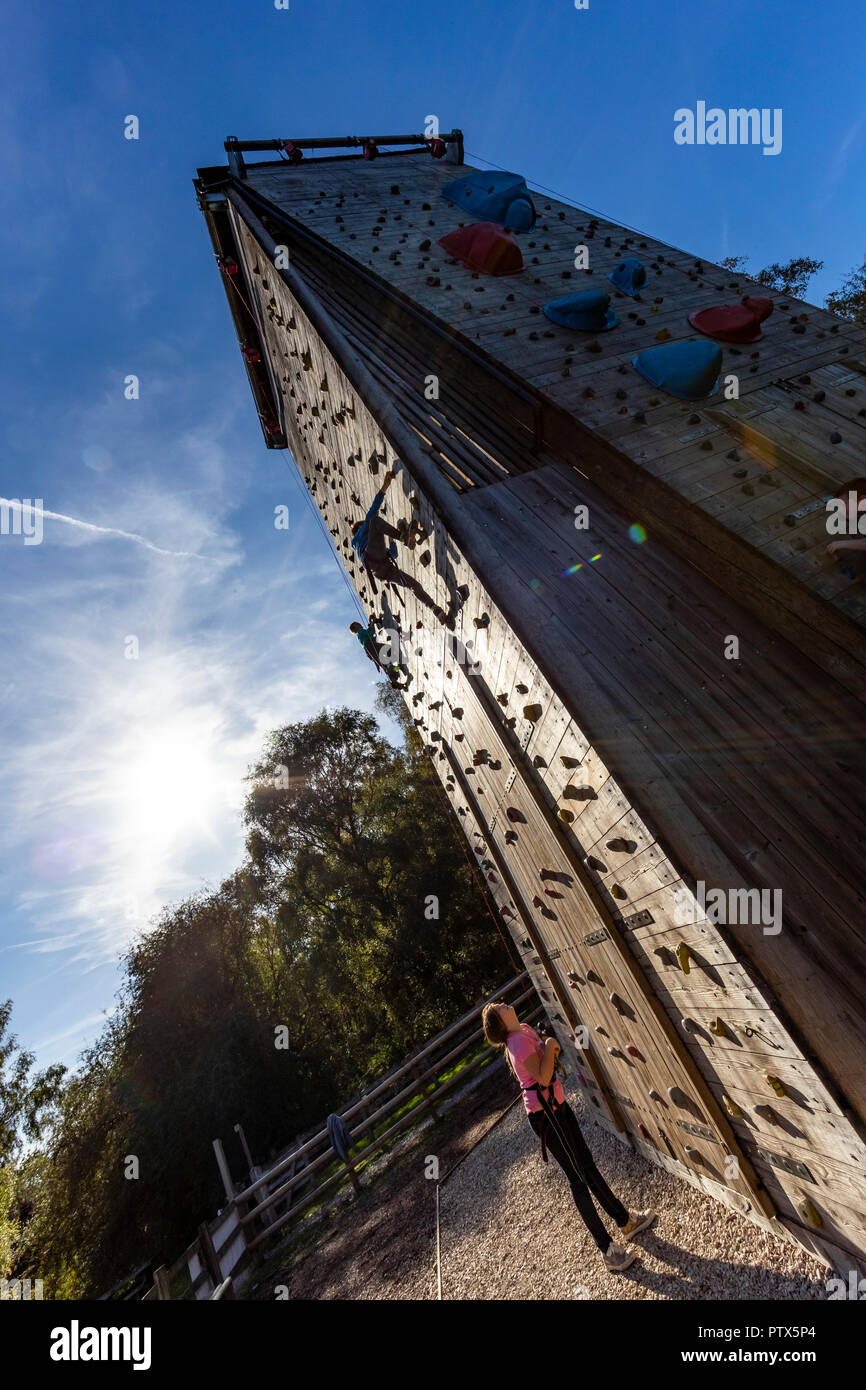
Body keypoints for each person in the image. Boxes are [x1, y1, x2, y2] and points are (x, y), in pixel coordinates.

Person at [482, 999, 657, 1273]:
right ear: (501, 1023)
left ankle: (625, 1221)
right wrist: (550, 1046)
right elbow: (542, 1077)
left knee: (587, 1165)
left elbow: (547, 1062)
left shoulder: (525, 1029)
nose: (504, 1004)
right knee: (577, 1179)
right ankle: (607, 1251)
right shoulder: (516, 1044)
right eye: (499, 1008)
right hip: (546, 1117)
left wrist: (549, 1045)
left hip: (557, 1107)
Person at [350, 470, 449, 623]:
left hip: (383, 570)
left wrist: (391, 541)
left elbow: (393, 555)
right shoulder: (358, 536)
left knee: (414, 585)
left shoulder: (362, 547)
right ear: (359, 528)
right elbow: (373, 510)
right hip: (376, 560)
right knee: (375, 520)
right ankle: (405, 538)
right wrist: (385, 486)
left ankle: (436, 610)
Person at [349, 617, 410, 687]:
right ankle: (394, 668)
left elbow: (372, 654)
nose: (360, 624)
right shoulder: (359, 631)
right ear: (355, 627)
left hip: (370, 652)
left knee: (387, 665)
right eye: (358, 624)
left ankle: (394, 678)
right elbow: (369, 632)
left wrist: (376, 663)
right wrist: (373, 623)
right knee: (388, 649)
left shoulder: (359, 637)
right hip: (371, 646)